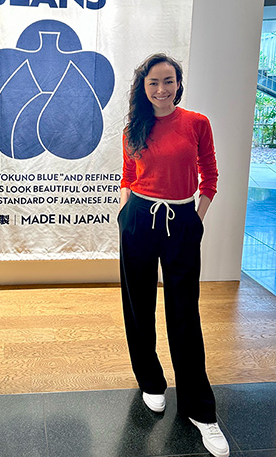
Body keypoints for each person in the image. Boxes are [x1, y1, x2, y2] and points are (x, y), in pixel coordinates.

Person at [118, 54, 229, 457]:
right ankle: (150, 381)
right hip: (138, 218)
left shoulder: (196, 123)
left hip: (180, 221)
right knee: (138, 305)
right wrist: (125, 210)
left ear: (179, 84)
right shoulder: (134, 127)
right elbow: (128, 176)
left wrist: (195, 219)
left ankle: (201, 410)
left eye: (168, 81)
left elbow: (209, 175)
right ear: (143, 87)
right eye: (153, 82)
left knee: (184, 312)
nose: (161, 89)